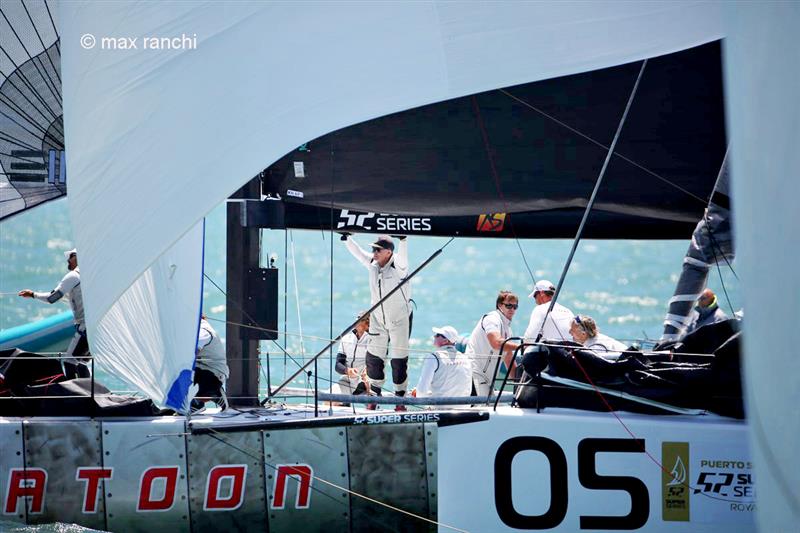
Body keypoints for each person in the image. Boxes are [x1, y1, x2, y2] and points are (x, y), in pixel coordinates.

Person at [343, 234, 411, 410]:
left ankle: (400, 398)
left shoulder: (399, 266)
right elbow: (358, 253)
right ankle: (374, 394)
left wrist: (403, 241)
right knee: (373, 358)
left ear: (388, 252)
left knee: (398, 360)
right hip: (378, 319)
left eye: (377, 250)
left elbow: (403, 257)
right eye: (373, 249)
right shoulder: (373, 264)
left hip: (399, 320)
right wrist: (346, 238)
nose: (373, 252)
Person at [18, 248, 90, 379]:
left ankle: (74, 394)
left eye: (70, 256)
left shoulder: (74, 276)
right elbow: (69, 298)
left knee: (70, 361)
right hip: (93, 328)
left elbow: (52, 298)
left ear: (77, 257)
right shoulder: (87, 276)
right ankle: (89, 393)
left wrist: (33, 294)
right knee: (81, 362)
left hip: (85, 327)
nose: (68, 260)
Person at [465, 291, 521, 397]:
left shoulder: (507, 329)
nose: (512, 309)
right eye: (509, 305)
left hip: (487, 379)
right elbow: (496, 343)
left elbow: (509, 359)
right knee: (484, 407)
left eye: (515, 307)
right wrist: (522, 347)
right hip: (474, 373)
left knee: (493, 406)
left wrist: (519, 384)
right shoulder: (492, 318)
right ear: (500, 305)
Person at [414, 326, 472, 401]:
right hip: (464, 407)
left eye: (438, 335)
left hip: (440, 407)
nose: (434, 336)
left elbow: (421, 392)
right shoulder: (466, 358)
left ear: (446, 341)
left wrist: (416, 394)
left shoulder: (434, 357)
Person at [192, 315, 229, 411]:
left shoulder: (203, 331)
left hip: (214, 374)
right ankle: (215, 394)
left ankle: (200, 402)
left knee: (182, 372)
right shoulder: (195, 329)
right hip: (202, 369)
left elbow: (192, 352)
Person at [523, 279, 574, 344]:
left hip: (549, 353)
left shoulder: (539, 309)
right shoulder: (568, 311)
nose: (535, 301)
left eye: (535, 296)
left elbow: (528, 339)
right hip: (568, 352)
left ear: (541, 293)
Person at [334, 312, 371, 396]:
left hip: (365, 384)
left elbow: (378, 364)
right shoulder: (346, 339)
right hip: (346, 381)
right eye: (357, 318)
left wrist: (368, 373)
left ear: (368, 324)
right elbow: (338, 365)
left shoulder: (373, 341)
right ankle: (345, 404)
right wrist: (348, 370)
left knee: (372, 405)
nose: (357, 320)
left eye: (361, 319)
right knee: (329, 400)